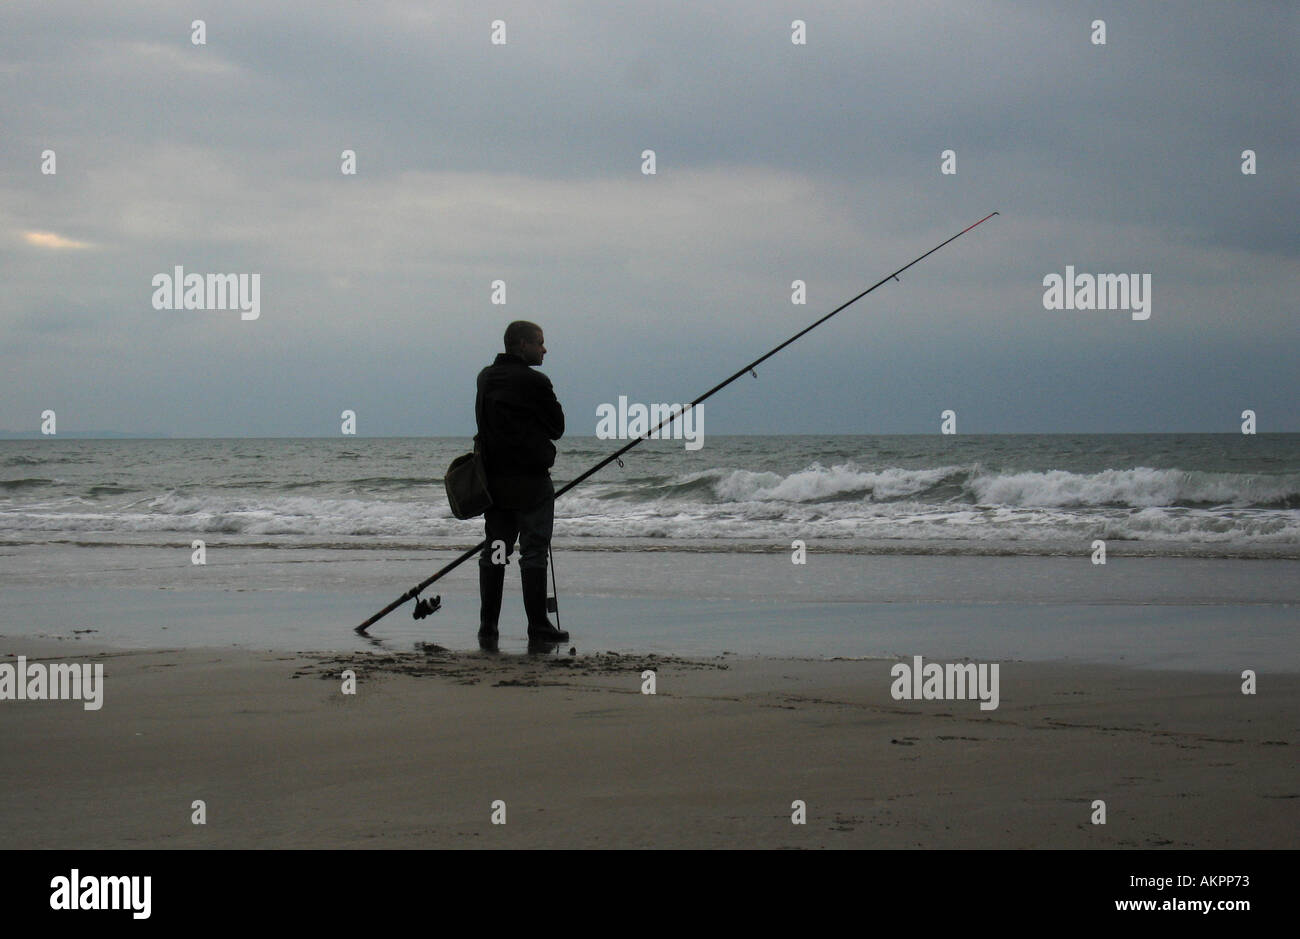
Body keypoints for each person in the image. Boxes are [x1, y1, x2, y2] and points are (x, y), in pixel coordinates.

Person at [475, 320, 568, 647]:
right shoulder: (536, 381)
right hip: (530, 483)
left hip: (495, 484)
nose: (544, 349)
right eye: (539, 343)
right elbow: (557, 427)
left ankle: (488, 626)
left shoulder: (485, 378)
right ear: (522, 345)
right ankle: (538, 625)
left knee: (496, 551)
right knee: (533, 551)